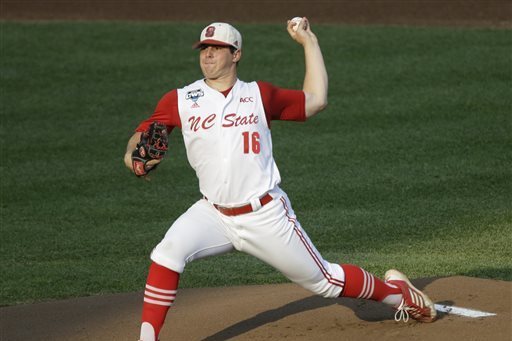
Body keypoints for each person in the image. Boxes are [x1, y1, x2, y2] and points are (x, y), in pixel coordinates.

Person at [124, 18, 437, 341]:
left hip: (265, 215)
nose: (208, 55)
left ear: (237, 54)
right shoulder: (180, 99)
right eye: (204, 48)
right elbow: (139, 139)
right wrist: (135, 158)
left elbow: (315, 100)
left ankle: (399, 295)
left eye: (218, 48)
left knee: (325, 282)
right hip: (213, 213)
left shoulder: (259, 94)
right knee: (167, 254)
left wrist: (308, 43)